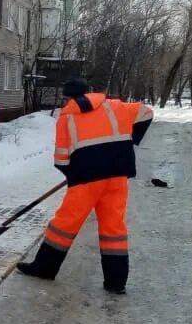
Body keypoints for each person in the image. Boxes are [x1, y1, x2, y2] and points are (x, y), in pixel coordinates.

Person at [17, 77, 153, 295]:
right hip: (117, 176)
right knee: (114, 228)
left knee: (64, 224)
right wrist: (130, 140)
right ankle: (116, 282)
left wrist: (73, 175)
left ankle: (44, 268)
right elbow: (147, 112)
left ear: (68, 97)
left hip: (87, 180)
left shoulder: (67, 117)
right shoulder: (116, 106)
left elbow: (61, 159)